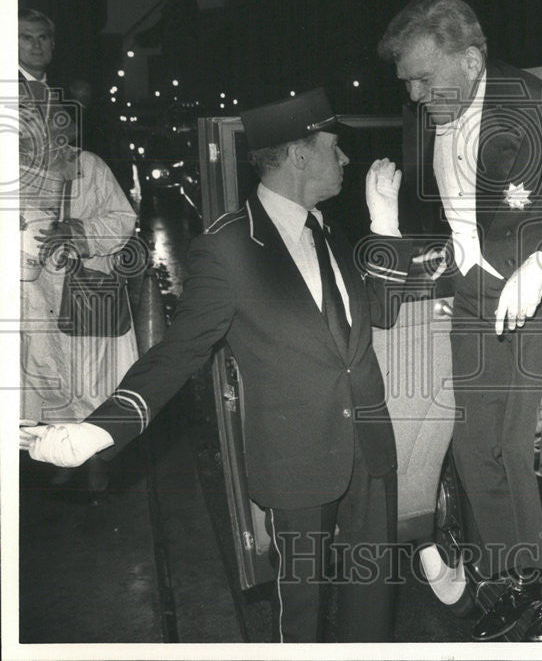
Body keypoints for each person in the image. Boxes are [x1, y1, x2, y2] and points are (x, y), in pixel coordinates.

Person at [22, 89, 415, 643]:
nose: (346, 158)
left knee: (373, 603)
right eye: (335, 147)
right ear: (300, 155)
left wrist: (387, 232)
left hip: (371, 447)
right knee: (302, 611)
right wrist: (97, 430)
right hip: (298, 458)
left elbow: (377, 315)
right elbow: (178, 352)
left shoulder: (327, 228)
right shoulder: (228, 247)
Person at [377, 0, 542, 642]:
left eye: (427, 78)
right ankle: (515, 574)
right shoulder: (438, 112)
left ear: (473, 59)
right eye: (409, 84)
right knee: (476, 447)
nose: (419, 95)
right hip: (479, 301)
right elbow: (463, 220)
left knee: (529, 448)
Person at [19, 8, 138, 498]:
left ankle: (96, 461)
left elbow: (123, 222)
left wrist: (79, 231)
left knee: (93, 380)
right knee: (47, 377)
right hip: (34, 297)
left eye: (56, 126)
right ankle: (58, 455)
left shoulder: (90, 168)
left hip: (87, 294)